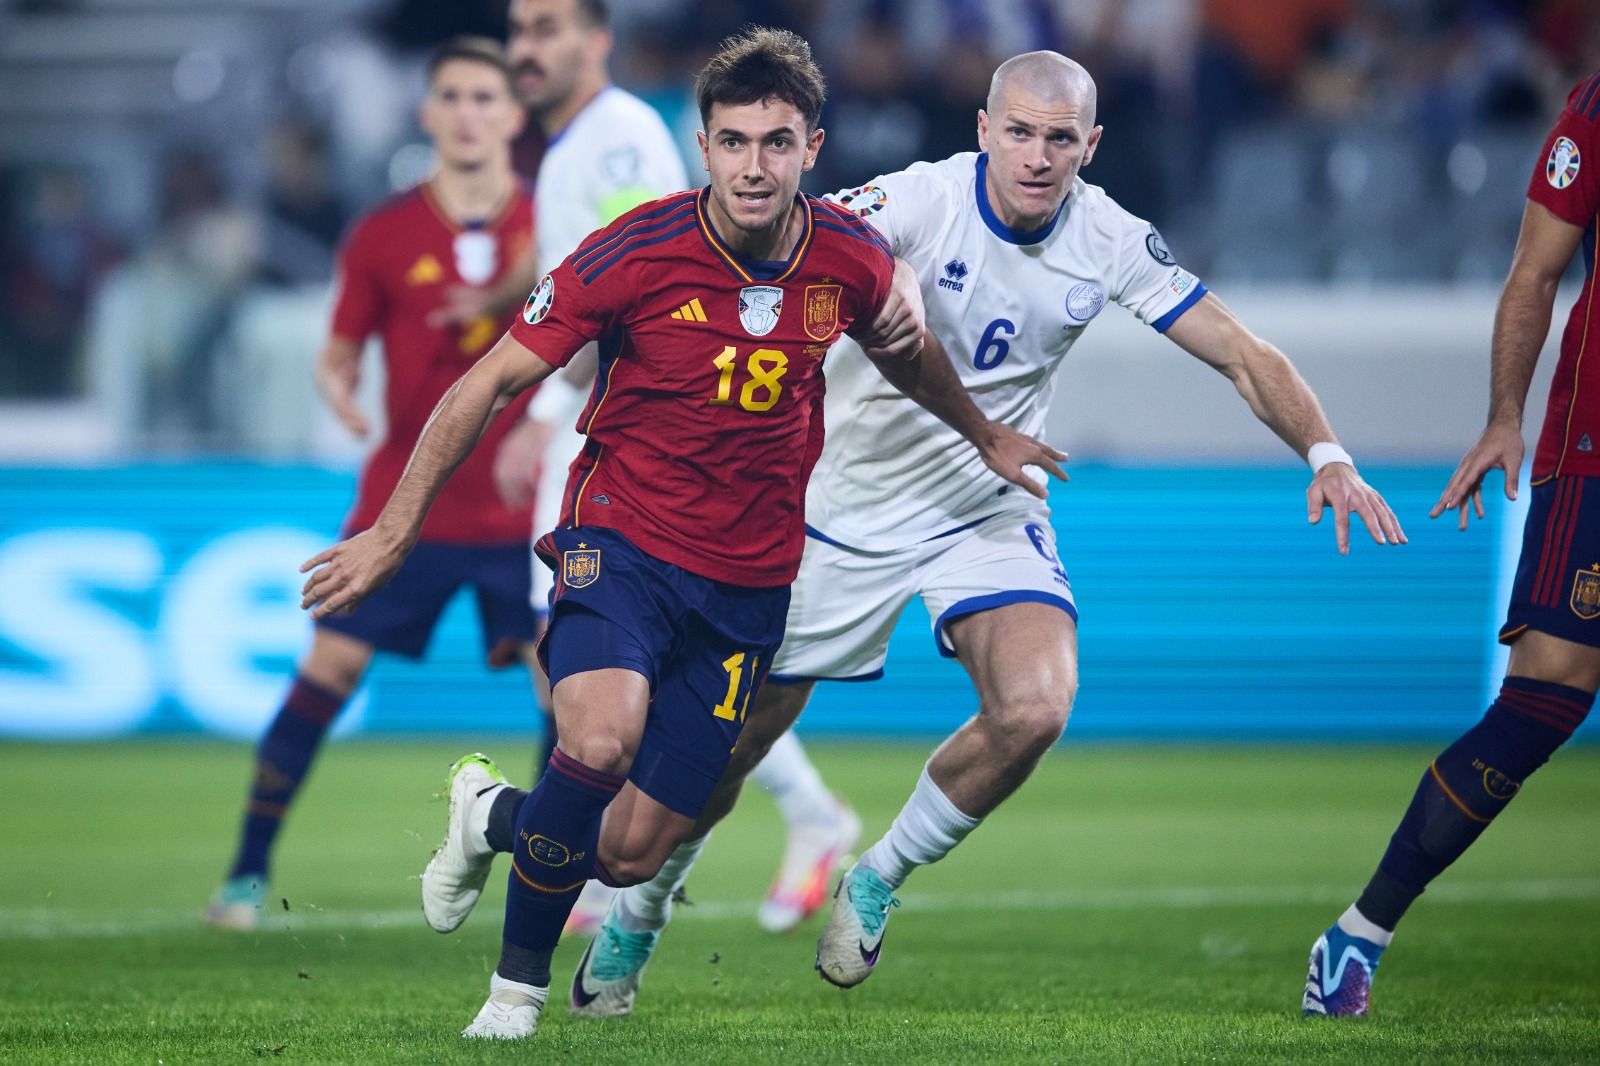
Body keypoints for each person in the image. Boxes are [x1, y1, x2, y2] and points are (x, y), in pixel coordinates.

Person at [565, 49, 1408, 1012]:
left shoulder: (1111, 239)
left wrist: (1327, 454)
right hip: (835, 511)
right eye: (1019, 131)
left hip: (985, 503)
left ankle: (875, 876)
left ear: (1090, 145)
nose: (1037, 155)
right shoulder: (915, 204)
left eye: (1059, 139)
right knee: (729, 749)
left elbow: (1242, 354)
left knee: (1038, 706)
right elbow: (805, 255)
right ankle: (641, 914)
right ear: (982, 130)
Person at [298, 27, 1062, 1041]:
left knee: (626, 850)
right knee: (599, 740)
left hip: (748, 583)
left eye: (777, 143)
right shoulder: (632, 252)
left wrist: (984, 432)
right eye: (735, 142)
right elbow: (486, 383)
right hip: (618, 541)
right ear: (701, 146)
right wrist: (393, 533)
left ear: (811, 148)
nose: (755, 166)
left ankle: (489, 815)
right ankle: (513, 994)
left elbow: (905, 351)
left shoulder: (849, 258)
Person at [469, 0, 861, 937]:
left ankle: (567, 858)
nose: (529, 48)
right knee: (595, 683)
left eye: (550, 28)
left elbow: (636, 298)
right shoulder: (569, 149)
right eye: (519, 29)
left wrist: (551, 406)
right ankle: (602, 862)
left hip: (628, 441)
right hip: (608, 435)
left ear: (597, 40)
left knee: (605, 680)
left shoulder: (614, 141)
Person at [202, 38, 543, 930]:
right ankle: (243, 874)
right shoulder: (384, 234)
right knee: (329, 667)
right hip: (409, 503)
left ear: (513, 116)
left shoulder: (554, 229)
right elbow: (339, 346)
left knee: (572, 688)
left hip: (528, 506)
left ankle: (564, 875)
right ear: (427, 114)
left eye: (485, 97)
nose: (468, 112)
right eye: (452, 96)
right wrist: (340, 390)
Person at [1303, 69, 1600, 1018]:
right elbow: (1535, 270)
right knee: (1548, 694)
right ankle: (1360, 933)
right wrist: (1505, 415)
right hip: (1594, 452)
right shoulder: (1595, 111)